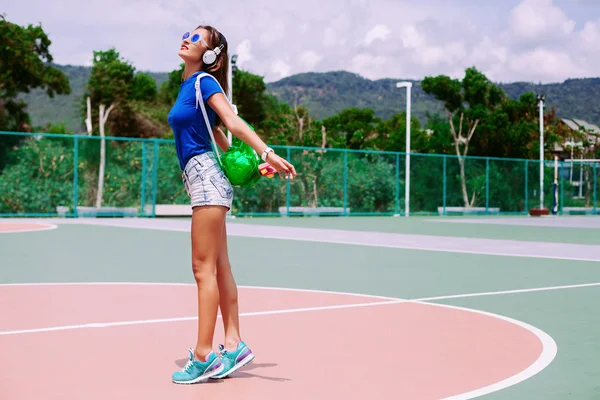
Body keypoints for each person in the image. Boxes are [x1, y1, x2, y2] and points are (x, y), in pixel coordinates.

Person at [167, 24, 297, 384]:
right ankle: (234, 343)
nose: (187, 39)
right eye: (187, 34)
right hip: (205, 180)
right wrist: (256, 165)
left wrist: (266, 150)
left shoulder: (205, 83)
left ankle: (204, 354)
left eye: (196, 39)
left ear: (211, 55)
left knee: (202, 269)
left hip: (206, 182)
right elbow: (220, 137)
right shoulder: (188, 87)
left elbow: (232, 121)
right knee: (220, 267)